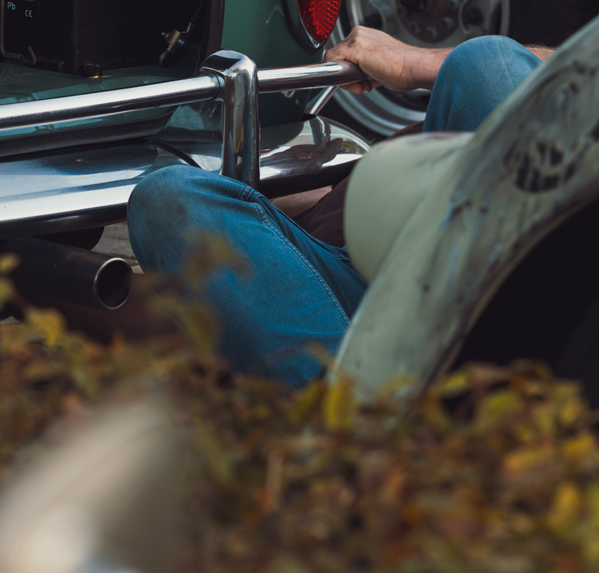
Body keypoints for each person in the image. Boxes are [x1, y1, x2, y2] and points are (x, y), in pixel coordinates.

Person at [125, 27, 551, 386]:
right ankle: (355, 417)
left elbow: (587, 71)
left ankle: (357, 431)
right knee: (165, 198)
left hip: (500, 273)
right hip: (360, 280)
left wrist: (414, 64)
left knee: (486, 60)